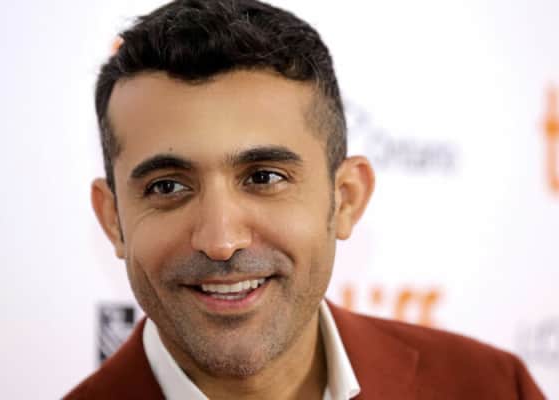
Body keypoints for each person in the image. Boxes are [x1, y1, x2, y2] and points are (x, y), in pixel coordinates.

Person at [64, 0, 545, 399]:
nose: (221, 240)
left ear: (346, 198)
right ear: (113, 219)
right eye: (168, 186)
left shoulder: (491, 387)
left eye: (264, 177)